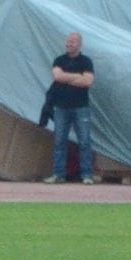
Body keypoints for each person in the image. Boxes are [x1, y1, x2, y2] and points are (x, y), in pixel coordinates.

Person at [43, 31, 96, 184]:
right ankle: (58, 174)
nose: (69, 44)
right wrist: (77, 77)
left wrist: (67, 77)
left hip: (81, 107)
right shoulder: (59, 60)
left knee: (84, 141)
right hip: (61, 107)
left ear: (80, 44)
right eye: (68, 41)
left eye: (73, 41)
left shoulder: (86, 61)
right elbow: (57, 77)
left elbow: (88, 82)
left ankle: (87, 175)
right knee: (59, 141)